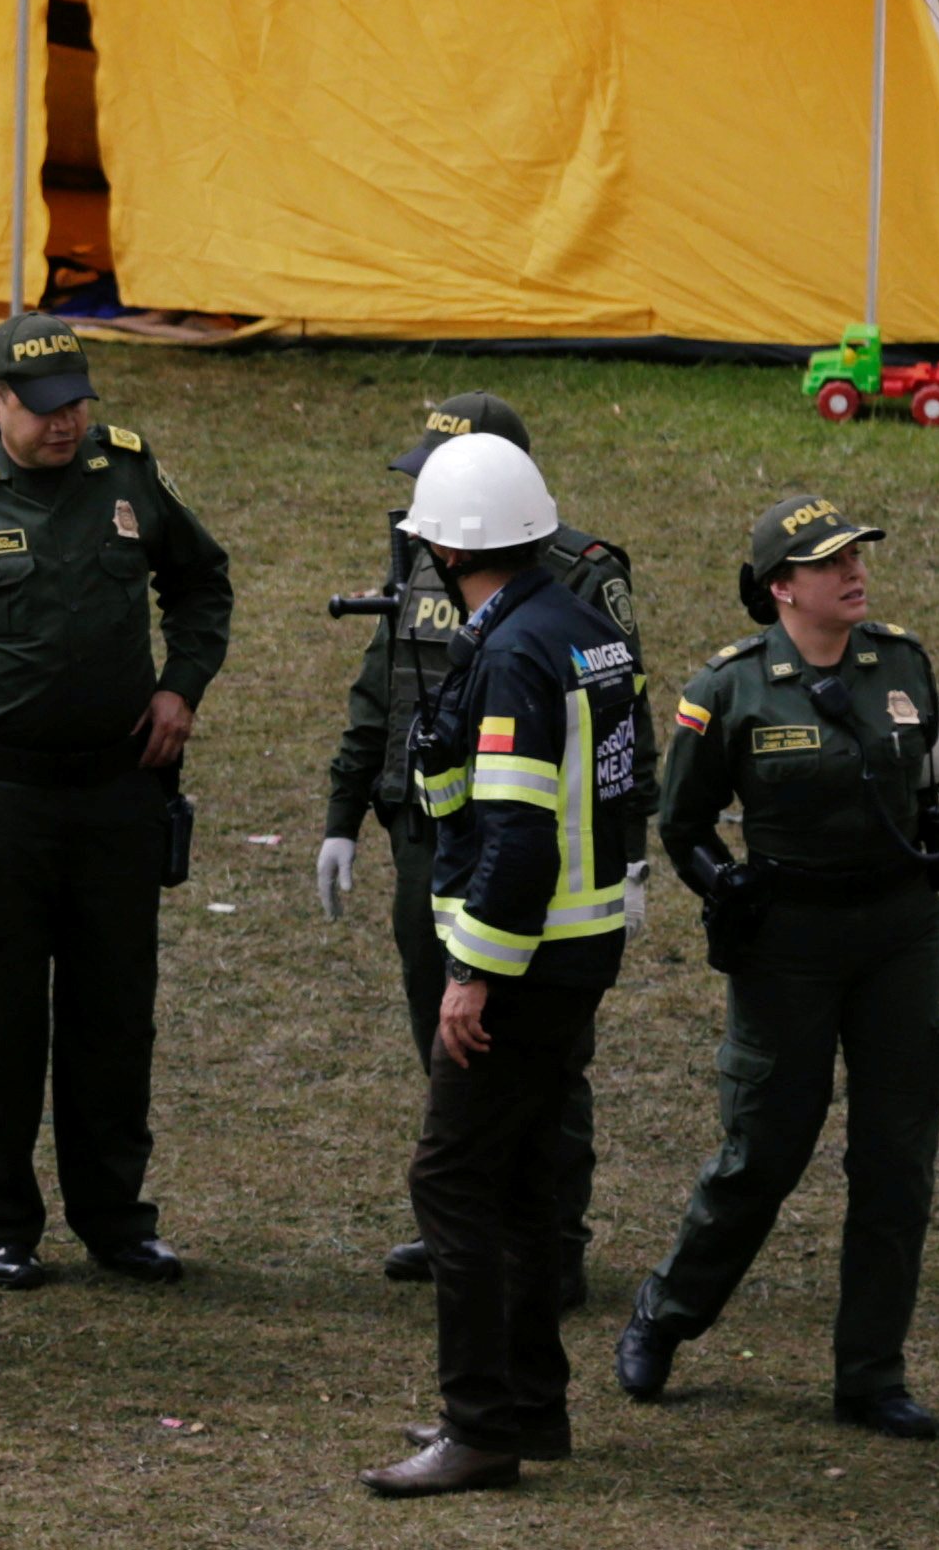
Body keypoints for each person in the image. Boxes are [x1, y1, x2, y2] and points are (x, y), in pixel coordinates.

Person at [0, 313, 232, 1291]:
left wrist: (179, 688)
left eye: (76, 404)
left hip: (118, 796)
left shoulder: (129, 476)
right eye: (43, 408)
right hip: (0, 804)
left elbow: (201, 585)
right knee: (1, 1019)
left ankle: (116, 1217)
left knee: (115, 1015)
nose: (65, 424)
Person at [615, 494, 939, 1439]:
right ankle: (665, 1312)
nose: (854, 572)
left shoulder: (902, 664)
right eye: (829, 562)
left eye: (857, 556)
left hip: (897, 934)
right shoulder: (727, 689)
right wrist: (723, 886)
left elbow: (926, 781)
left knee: (897, 1162)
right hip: (788, 948)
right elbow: (681, 824)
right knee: (762, 1153)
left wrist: (933, 840)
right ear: (780, 589)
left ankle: (871, 1376)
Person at [361, 432, 643, 1499]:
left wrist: (470, 976)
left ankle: (478, 1426)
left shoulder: (516, 652)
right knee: (523, 1183)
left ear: (444, 547)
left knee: (451, 1180)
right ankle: (530, 1408)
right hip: (579, 945)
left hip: (524, 957)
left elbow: (518, 832)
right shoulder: (577, 626)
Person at [317, 392, 645, 1309]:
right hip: (434, 842)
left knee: (537, 1067)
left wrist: (631, 843)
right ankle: (471, 1226)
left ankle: (543, 1241)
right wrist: (346, 812)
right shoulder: (427, 562)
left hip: (520, 852)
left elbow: (622, 724)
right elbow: (384, 690)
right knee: (450, 1044)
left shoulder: (576, 579)